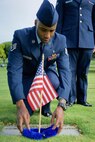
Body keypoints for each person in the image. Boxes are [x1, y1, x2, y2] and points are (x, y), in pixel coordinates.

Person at [7, 0, 71, 134]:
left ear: (56, 27)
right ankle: (31, 104)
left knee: (54, 80)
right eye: (43, 29)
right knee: (26, 111)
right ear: (36, 23)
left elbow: (65, 71)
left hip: (47, 75)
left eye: (52, 30)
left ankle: (45, 105)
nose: (47, 35)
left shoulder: (61, 41)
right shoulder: (20, 36)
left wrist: (61, 105)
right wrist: (20, 104)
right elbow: (14, 70)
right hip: (27, 77)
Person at [56, 0, 95, 106]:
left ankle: (82, 99)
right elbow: (59, 20)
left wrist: (94, 42)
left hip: (88, 40)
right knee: (70, 72)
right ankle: (71, 99)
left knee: (83, 72)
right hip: (68, 40)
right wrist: (58, 40)